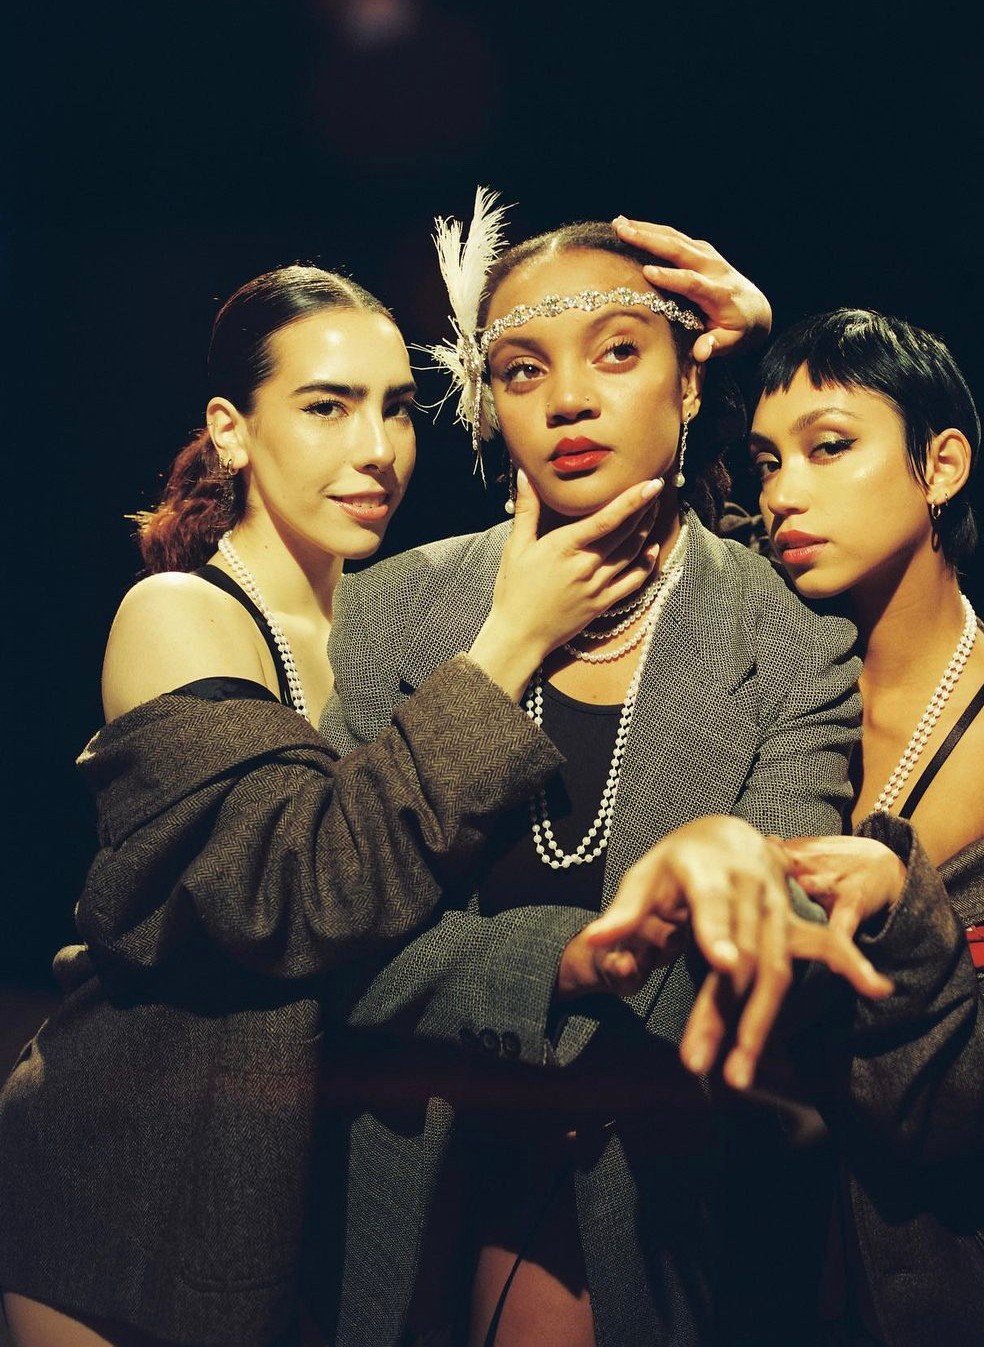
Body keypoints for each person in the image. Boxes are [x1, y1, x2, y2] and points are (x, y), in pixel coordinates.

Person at [0, 262, 678, 1347]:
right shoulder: (180, 614)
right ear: (231, 431)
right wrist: (511, 642)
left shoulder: (389, 622)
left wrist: (712, 372)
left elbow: (685, 590)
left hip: (298, 1213)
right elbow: (294, 890)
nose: (377, 449)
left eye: (396, 408)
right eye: (327, 407)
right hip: (128, 1190)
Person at [308, 199, 893, 1347]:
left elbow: (778, 928)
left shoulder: (792, 640)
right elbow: (336, 935)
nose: (567, 400)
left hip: (655, 1207)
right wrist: (563, 961)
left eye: (617, 353)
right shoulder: (392, 608)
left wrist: (738, 892)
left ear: (690, 382)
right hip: (405, 1191)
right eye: (522, 370)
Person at [587, 307, 984, 1345]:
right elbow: (662, 519)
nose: (784, 494)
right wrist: (727, 345)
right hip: (783, 1267)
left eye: (830, 447)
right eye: (768, 462)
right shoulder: (772, 660)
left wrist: (903, 908)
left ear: (940, 466)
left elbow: (972, 1112)